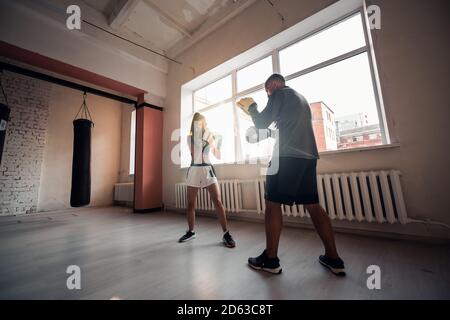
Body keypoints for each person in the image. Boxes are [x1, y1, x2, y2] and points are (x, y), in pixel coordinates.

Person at [236, 74, 345, 276]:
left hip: (286, 157)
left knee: (272, 203)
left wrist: (252, 108)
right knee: (312, 204)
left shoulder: (279, 94)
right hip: (308, 157)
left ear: (273, 86)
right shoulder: (300, 99)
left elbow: (261, 122)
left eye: (267, 92)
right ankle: (333, 258)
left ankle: (270, 259)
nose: (268, 96)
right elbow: (279, 128)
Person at [178, 112, 236, 248]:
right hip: (194, 170)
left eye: (204, 122)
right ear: (195, 124)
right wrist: (202, 140)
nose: (204, 124)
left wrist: (213, 143)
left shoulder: (210, 136)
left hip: (207, 169)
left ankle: (226, 233)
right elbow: (195, 154)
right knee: (191, 203)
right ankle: (191, 231)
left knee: (217, 201)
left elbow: (218, 155)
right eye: (200, 122)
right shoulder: (189, 138)